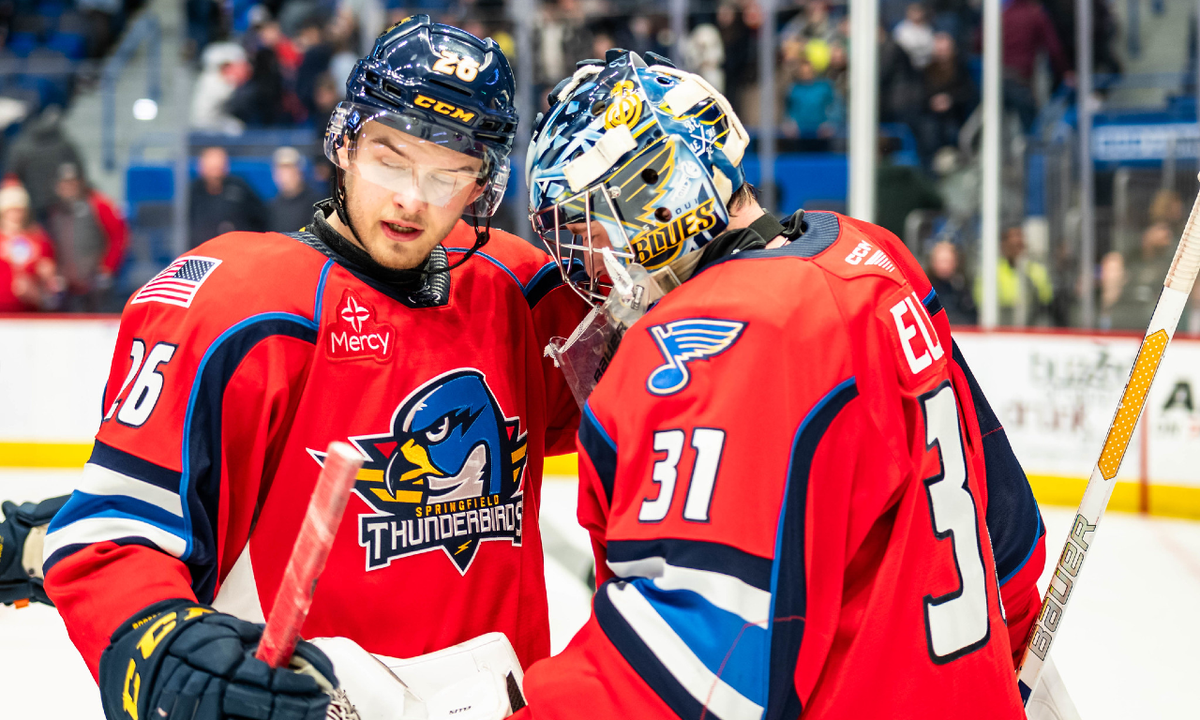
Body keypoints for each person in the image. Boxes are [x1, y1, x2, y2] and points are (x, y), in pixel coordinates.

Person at [37, 17, 586, 720]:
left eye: (448, 173)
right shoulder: (243, 307)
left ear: (482, 183)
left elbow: (654, 413)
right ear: (345, 143)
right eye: (390, 158)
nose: (412, 199)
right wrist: (161, 646)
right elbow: (114, 536)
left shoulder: (518, 290)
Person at [518, 51, 1049, 718]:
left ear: (656, 194)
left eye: (591, 233)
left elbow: (694, 674)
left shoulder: (721, 336)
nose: (591, 270)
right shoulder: (871, 254)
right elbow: (1008, 541)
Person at [45, 162, 129, 312]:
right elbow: (52, 245)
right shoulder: (56, 212)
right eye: (64, 183)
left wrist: (108, 268)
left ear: (81, 183)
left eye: (73, 183)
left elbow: (119, 236)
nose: (69, 187)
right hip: (68, 287)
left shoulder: (99, 204)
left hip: (95, 283)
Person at [188, 145, 268, 247]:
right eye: (212, 169)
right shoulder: (192, 192)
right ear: (201, 168)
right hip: (202, 253)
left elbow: (261, 218)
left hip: (237, 251)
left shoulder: (239, 187)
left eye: (218, 168)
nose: (215, 174)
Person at [975, 224, 1053, 326]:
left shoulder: (1036, 270)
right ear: (1003, 245)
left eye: (1019, 245)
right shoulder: (991, 271)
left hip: (1031, 326)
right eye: (1012, 246)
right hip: (1001, 326)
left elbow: (1046, 300)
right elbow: (980, 299)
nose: (1017, 251)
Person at [0, 183, 61, 312]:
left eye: (19, 209)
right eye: (11, 209)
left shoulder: (38, 238)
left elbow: (49, 276)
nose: (15, 214)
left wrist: (45, 277)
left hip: (29, 312)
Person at [267, 147, 324, 232]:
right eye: (280, 169)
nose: (284, 175)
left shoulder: (317, 204)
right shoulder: (271, 207)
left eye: (289, 168)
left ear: (300, 171)